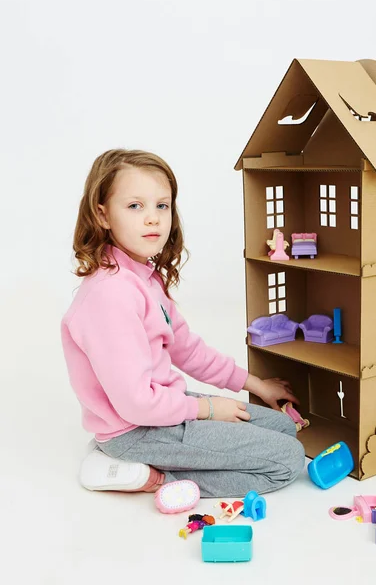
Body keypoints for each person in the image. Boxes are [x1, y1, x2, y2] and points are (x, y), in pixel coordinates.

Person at [61, 149, 305, 500]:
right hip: (136, 430)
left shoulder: (142, 279)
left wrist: (257, 385)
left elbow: (187, 349)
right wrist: (208, 410)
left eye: (162, 206)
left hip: (165, 407)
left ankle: (176, 457)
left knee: (284, 428)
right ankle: (147, 475)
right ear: (103, 215)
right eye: (135, 206)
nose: (153, 219)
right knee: (287, 460)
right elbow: (135, 404)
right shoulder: (110, 296)